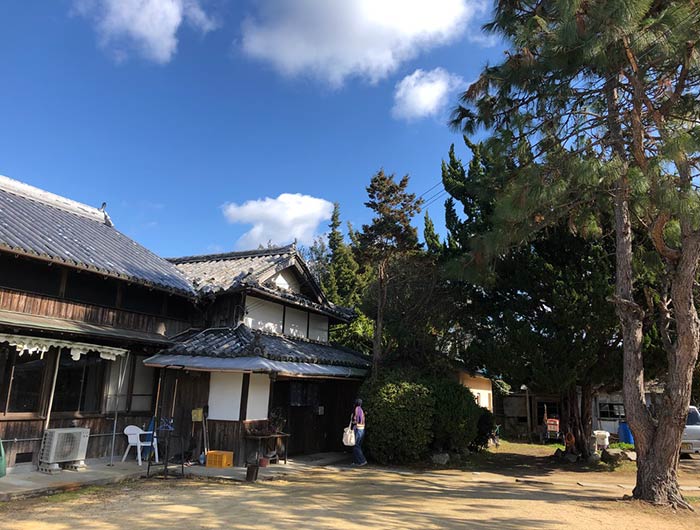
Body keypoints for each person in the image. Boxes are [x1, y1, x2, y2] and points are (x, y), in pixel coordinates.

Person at [351, 398, 367, 466]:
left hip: (358, 428)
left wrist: (353, 421)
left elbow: (356, 420)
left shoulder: (357, 409)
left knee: (356, 445)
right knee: (358, 446)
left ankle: (362, 460)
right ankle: (356, 461)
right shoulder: (361, 410)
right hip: (362, 428)